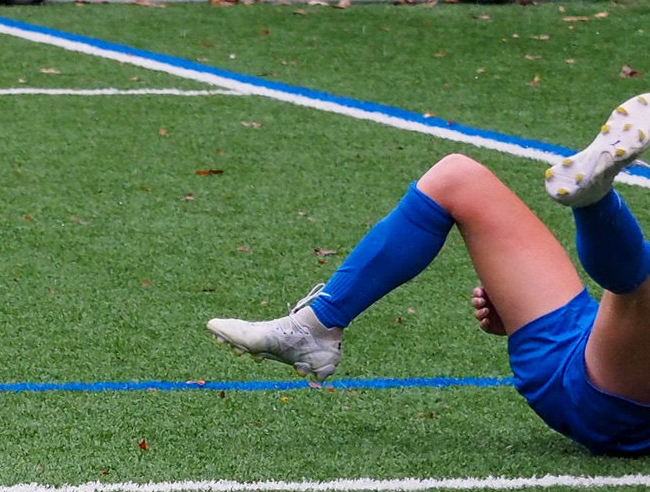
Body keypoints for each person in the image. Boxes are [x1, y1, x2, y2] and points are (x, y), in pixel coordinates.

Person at [206, 94, 650, 455]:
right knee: (456, 178)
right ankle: (312, 328)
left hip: (619, 401)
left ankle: (595, 200)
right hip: (573, 345)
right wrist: (525, 309)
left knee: (637, 288)